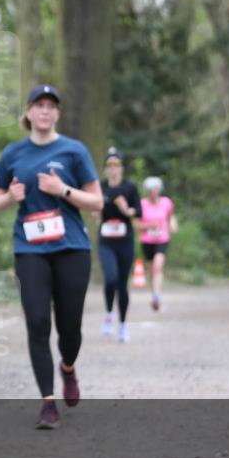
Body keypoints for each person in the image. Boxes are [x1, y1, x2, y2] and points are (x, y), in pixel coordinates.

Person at [0, 84, 103, 429]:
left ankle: (67, 366)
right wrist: (10, 197)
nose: (45, 111)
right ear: (28, 112)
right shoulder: (13, 154)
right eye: (38, 105)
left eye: (51, 106)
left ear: (58, 113)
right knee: (37, 322)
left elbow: (97, 202)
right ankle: (47, 403)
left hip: (72, 248)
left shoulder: (74, 151)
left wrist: (63, 191)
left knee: (70, 327)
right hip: (30, 250)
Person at [97, 147, 141, 343]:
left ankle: (123, 325)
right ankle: (108, 314)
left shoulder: (130, 188)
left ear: (121, 168)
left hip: (125, 241)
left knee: (122, 284)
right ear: (106, 168)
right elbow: (95, 210)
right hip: (106, 241)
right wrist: (96, 212)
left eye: (116, 165)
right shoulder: (100, 186)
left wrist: (126, 210)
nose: (113, 168)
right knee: (111, 277)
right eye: (110, 165)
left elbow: (138, 213)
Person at [138, 176, 178, 311]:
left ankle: (157, 297)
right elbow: (137, 224)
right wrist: (149, 225)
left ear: (159, 190)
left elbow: (170, 216)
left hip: (162, 239)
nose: (153, 192)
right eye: (150, 190)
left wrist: (172, 224)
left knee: (157, 267)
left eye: (155, 189)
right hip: (147, 240)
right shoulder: (142, 204)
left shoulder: (166, 202)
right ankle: (154, 293)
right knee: (151, 270)